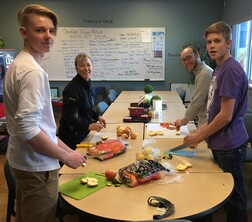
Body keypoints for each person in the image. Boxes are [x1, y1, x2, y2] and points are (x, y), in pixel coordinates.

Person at [3, 4, 85, 222]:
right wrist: (66, 157)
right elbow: (28, 129)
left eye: (51, 30)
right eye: (40, 30)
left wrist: (70, 151)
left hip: (25, 162)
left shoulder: (19, 64)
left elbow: (41, 128)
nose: (48, 36)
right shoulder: (32, 72)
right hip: (37, 167)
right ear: (24, 32)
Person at [184, 21, 248, 222]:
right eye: (209, 41)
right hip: (221, 141)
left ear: (228, 43)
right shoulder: (220, 68)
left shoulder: (229, 70)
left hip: (230, 144)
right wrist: (203, 135)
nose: (212, 45)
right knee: (226, 192)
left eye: (217, 41)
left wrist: (198, 135)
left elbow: (225, 116)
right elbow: (214, 108)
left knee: (234, 198)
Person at [58, 53, 106, 150]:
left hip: (82, 132)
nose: (86, 68)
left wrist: (97, 116)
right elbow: (68, 116)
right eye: (82, 65)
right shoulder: (72, 88)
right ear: (76, 68)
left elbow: (86, 107)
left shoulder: (87, 83)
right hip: (71, 137)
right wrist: (88, 126)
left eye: (88, 65)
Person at [175, 46, 213, 128]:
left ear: (197, 55)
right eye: (183, 60)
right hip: (204, 122)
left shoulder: (204, 74)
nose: (186, 62)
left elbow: (197, 102)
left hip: (208, 125)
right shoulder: (200, 72)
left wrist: (183, 121)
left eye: (188, 57)